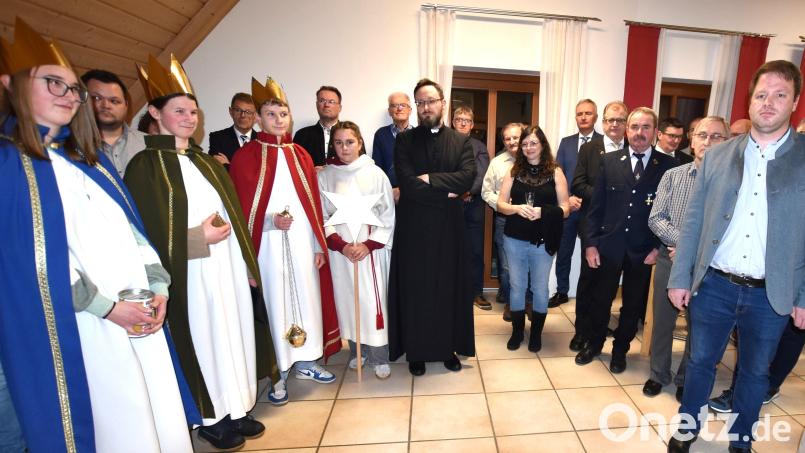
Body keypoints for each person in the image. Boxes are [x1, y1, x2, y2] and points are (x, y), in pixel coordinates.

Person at [0, 18, 197, 452]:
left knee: (154, 412)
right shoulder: (11, 166)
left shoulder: (88, 162)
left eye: (72, 89)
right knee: (120, 421)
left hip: (137, 309)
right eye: (54, 83)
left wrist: (159, 284)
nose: (69, 96)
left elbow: (132, 231)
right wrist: (108, 309)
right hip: (88, 325)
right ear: (10, 86)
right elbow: (29, 262)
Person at [124, 55, 278, 451]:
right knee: (207, 338)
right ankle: (212, 417)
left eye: (193, 110)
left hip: (226, 267)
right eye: (179, 111)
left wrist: (246, 261)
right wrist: (197, 239)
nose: (190, 118)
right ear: (155, 113)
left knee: (234, 331)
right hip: (190, 274)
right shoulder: (145, 167)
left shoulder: (205, 162)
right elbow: (144, 236)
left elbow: (235, 216)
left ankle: (238, 406)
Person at [667, 60, 805, 453]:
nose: (768, 103)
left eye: (779, 95)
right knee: (698, 363)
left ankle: (741, 439)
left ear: (794, 101)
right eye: (761, 95)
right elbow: (693, 221)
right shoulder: (718, 155)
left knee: (754, 373)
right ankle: (687, 428)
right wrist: (680, 276)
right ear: (750, 100)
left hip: (771, 295)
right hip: (714, 285)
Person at [230, 77, 341, 405]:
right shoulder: (246, 158)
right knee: (276, 305)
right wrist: (269, 222)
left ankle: (306, 362)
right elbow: (242, 210)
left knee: (307, 300)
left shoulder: (301, 155)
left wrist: (320, 244)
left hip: (303, 244)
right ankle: (277, 374)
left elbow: (313, 205)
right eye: (272, 114)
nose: (279, 119)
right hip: (267, 248)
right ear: (259, 118)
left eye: (284, 113)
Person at [575, 107, 675, 373]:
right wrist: (590, 244)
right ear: (627, 130)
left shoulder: (667, 167)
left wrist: (657, 247)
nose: (639, 133)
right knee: (601, 300)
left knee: (632, 305)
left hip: (644, 251)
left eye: (645, 128)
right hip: (609, 246)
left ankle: (621, 350)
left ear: (655, 133)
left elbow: (670, 212)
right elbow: (595, 208)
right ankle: (594, 344)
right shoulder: (609, 161)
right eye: (634, 127)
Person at [388, 78, 476, 376]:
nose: (426, 107)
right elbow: (407, 184)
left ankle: (447, 349)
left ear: (443, 103)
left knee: (447, 288)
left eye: (431, 101)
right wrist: (445, 189)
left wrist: (429, 180)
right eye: (421, 102)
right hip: (414, 230)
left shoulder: (461, 141)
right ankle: (417, 351)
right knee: (417, 289)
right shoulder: (405, 140)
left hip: (450, 231)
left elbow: (466, 178)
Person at [643, 116, 730, 402]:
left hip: (710, 267)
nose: (708, 142)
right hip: (671, 259)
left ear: (727, 142)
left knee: (698, 327)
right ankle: (658, 374)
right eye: (702, 135)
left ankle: (685, 379)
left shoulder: (733, 183)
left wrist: (692, 249)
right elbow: (656, 218)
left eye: (716, 136)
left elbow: (728, 228)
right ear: (691, 140)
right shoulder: (673, 176)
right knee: (663, 322)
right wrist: (682, 243)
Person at [319, 121, 395, 379]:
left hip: (370, 251)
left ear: (360, 143)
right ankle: (357, 351)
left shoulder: (376, 174)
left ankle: (378, 356)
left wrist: (368, 245)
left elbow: (387, 215)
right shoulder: (325, 175)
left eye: (349, 142)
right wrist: (340, 246)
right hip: (343, 253)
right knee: (348, 300)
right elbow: (321, 215)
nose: (344, 147)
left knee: (372, 300)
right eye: (338, 142)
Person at [497, 125, 569, 352]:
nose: (528, 147)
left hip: (543, 241)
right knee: (517, 287)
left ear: (542, 145)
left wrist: (544, 212)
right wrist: (517, 208)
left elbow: (565, 208)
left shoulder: (555, 171)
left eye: (533, 143)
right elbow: (500, 204)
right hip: (514, 239)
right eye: (525, 144)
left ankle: (536, 334)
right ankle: (517, 332)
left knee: (539, 289)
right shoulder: (513, 171)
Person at [568, 101, 628, 352]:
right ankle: (582, 331)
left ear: (625, 124)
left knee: (610, 284)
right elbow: (578, 184)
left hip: (620, 230)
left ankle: (599, 326)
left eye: (619, 120)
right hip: (593, 226)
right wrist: (606, 195)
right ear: (603, 122)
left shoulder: (634, 149)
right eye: (609, 120)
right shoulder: (590, 149)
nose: (614, 124)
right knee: (588, 281)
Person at [551, 99, 601, 308]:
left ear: (595, 117)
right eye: (579, 113)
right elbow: (557, 172)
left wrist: (586, 198)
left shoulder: (604, 143)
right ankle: (562, 291)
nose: (583, 117)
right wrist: (568, 198)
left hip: (592, 209)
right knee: (564, 251)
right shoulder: (566, 142)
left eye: (588, 113)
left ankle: (587, 294)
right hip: (568, 207)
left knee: (589, 253)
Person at [481, 123, 523, 321]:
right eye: (508, 139)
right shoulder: (497, 163)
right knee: (506, 267)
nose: (512, 141)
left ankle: (526, 302)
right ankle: (510, 302)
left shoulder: (536, 160)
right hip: (505, 220)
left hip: (531, 221)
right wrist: (501, 203)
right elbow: (485, 191)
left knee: (529, 264)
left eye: (516, 137)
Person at [452, 106, 491, 310]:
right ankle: (452, 293)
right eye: (459, 119)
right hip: (448, 205)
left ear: (473, 124)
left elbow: (482, 174)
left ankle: (477, 292)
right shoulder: (443, 143)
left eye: (467, 120)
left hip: (474, 205)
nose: (463, 123)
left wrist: (467, 192)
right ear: (453, 121)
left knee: (475, 251)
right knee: (450, 250)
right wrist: (456, 193)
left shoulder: (479, 146)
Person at [81, 69, 146, 177]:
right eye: (97, 98)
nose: (106, 105)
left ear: (126, 106)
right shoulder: (69, 146)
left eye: (114, 101)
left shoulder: (148, 145)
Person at [372, 92, 412, 203]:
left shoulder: (419, 135)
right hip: (388, 194)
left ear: (410, 110)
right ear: (389, 111)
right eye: (394, 105)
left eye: (403, 105)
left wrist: (405, 190)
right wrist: (389, 191)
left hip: (414, 193)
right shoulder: (381, 134)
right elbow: (377, 169)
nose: (399, 109)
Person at [293, 85, 342, 167]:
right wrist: (312, 171)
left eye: (331, 102)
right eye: (322, 101)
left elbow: (361, 167)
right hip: (311, 180)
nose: (326, 105)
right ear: (316, 105)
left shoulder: (351, 134)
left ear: (339, 107)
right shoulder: (302, 135)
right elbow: (294, 166)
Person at [208, 92, 258, 168]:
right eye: (238, 110)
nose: (243, 115)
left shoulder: (262, 141)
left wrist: (228, 165)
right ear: (231, 112)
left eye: (248, 112)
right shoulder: (217, 138)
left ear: (255, 115)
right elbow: (218, 172)